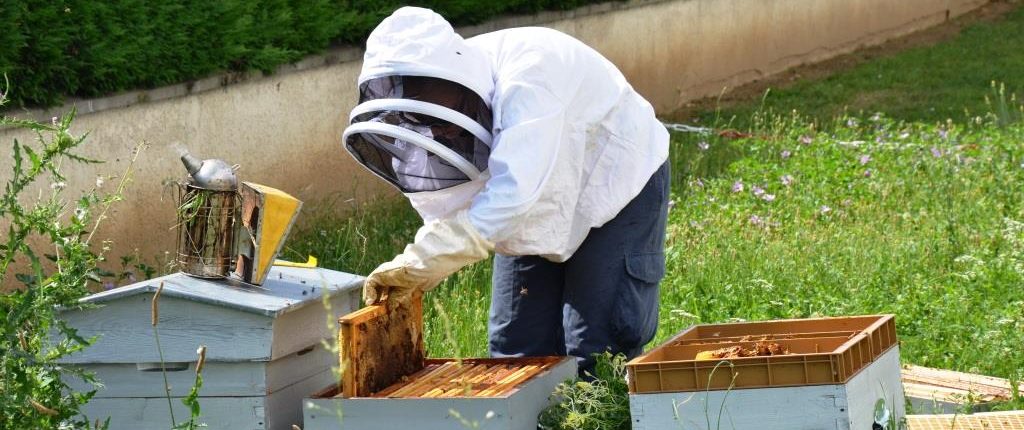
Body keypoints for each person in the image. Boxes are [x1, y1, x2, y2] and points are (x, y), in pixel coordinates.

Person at [341, 6, 669, 374]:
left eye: (444, 115)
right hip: (530, 197)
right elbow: (457, 212)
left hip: (614, 182)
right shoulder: (442, 87)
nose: (443, 131)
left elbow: (512, 198)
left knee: (598, 347)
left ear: (463, 81)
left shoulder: (531, 76)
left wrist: (422, 262)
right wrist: (417, 269)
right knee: (515, 347)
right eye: (424, 120)